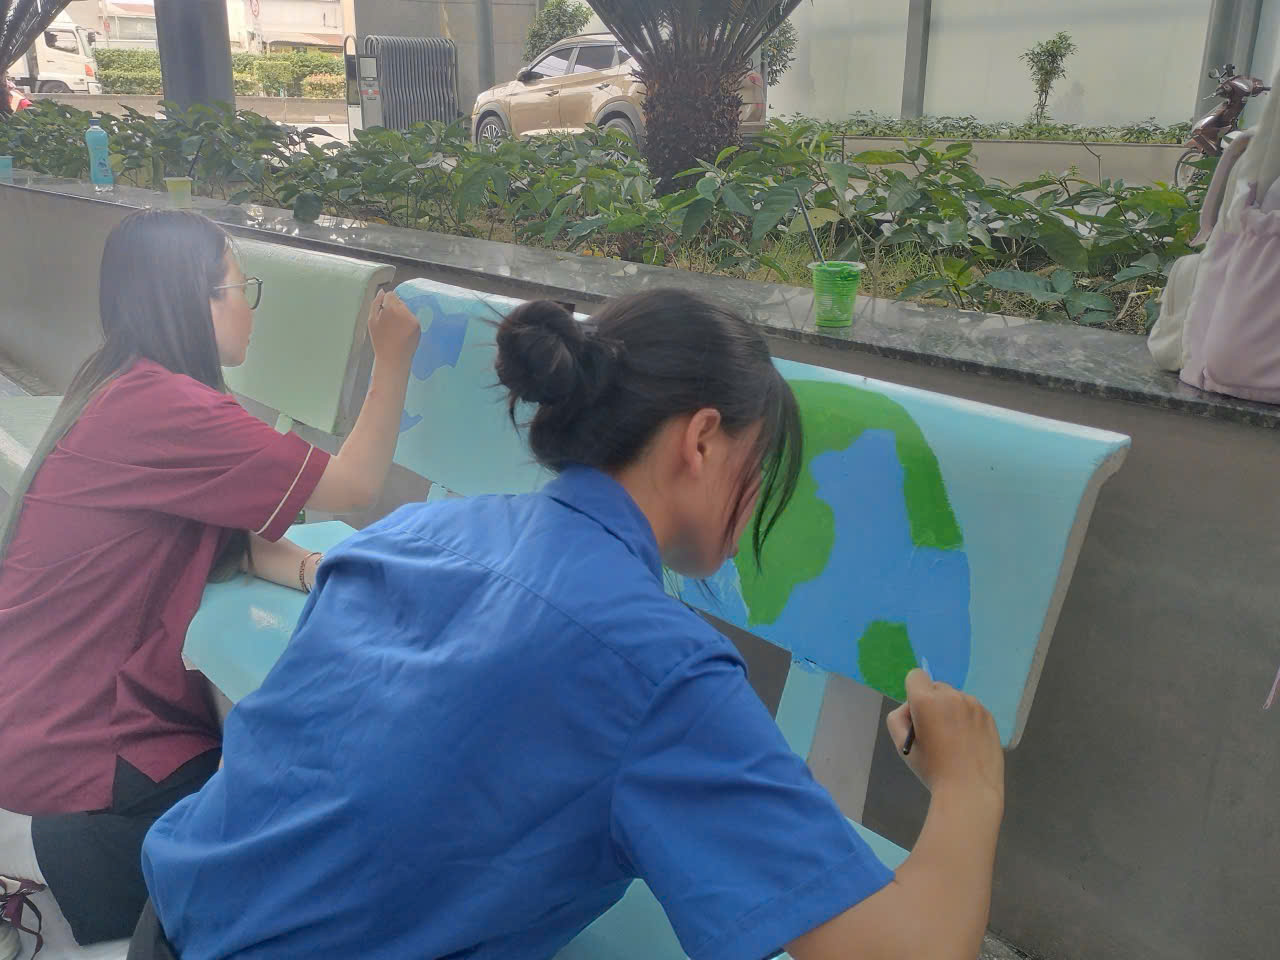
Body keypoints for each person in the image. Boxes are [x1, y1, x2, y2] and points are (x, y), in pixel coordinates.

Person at [134, 291, 1005, 960]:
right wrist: (970, 784)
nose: (761, 499)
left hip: (167, 917)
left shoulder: (417, 533)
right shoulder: (659, 670)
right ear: (702, 441)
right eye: (762, 460)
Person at [0, 209, 421, 954]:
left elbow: (232, 535)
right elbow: (354, 485)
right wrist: (394, 358)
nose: (250, 311)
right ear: (191, 301)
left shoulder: (118, 384)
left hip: (33, 703)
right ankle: (104, 887)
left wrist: (311, 567)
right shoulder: (169, 409)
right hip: (74, 734)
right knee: (284, 822)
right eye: (240, 289)